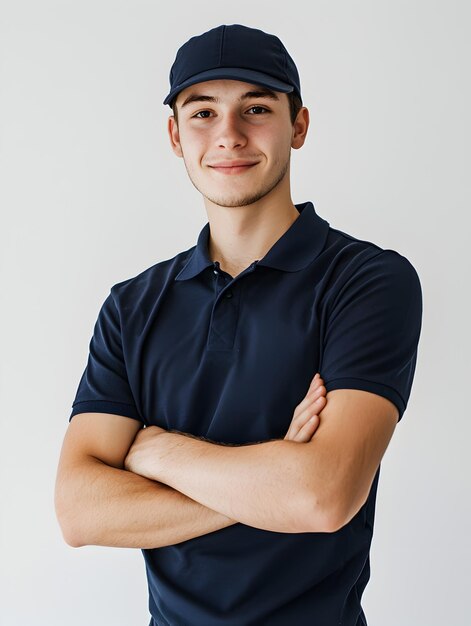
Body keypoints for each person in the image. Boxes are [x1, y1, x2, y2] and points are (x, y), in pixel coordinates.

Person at [55, 23, 423, 626]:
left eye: (256, 108)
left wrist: (156, 450)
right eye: (203, 112)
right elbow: (79, 511)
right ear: (175, 135)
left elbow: (323, 495)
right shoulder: (132, 307)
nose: (229, 135)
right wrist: (274, 470)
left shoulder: (367, 281)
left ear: (298, 125)